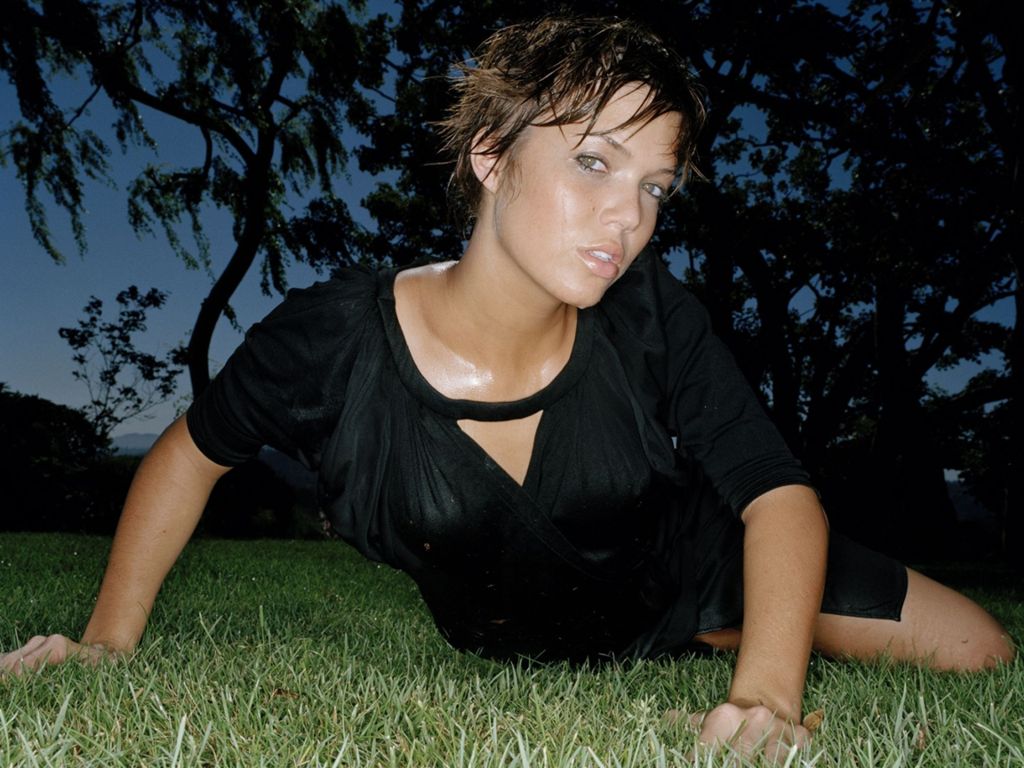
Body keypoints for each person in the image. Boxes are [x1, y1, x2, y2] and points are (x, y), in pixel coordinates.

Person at [1, 14, 1014, 760]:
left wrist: (767, 696)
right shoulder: (332, 339)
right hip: (514, 627)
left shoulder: (651, 313)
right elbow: (190, 455)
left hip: (692, 568)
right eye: (594, 162)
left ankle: (734, 634)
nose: (628, 218)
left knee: (979, 652)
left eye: (653, 187)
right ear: (491, 156)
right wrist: (107, 642)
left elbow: (775, 491)